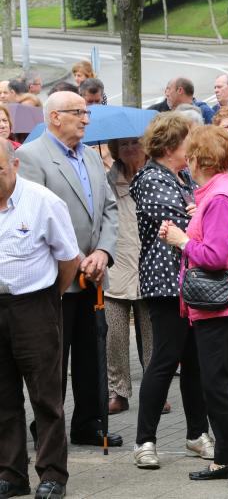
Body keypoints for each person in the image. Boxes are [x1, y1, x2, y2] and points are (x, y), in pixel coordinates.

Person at [16, 91, 124, 449]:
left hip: (93, 274)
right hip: (57, 278)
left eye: (86, 112)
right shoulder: (30, 158)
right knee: (54, 358)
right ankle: (49, 424)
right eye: (79, 112)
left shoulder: (91, 157)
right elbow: (34, 217)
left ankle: (89, 422)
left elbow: (110, 209)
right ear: (55, 117)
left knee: (92, 353)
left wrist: (104, 253)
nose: (86, 119)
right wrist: (78, 258)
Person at [159, 125, 228, 489]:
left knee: (218, 386)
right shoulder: (220, 192)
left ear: (197, 159)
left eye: (189, 154)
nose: (185, 160)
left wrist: (181, 239)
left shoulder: (219, 197)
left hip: (222, 306)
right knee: (214, 383)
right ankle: (225, 457)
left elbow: (216, 256)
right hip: (221, 305)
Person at [130, 112, 212, 469]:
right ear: (169, 146)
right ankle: (144, 441)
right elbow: (182, 222)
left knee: (194, 361)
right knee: (164, 360)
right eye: (186, 140)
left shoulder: (181, 177)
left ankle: (197, 433)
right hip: (165, 283)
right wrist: (200, 213)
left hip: (189, 278)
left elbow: (198, 216)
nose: (191, 147)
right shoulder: (150, 178)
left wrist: (199, 212)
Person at [0, 138, 80, 499]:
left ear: (15, 165)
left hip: (34, 305)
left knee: (45, 396)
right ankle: (11, 473)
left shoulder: (44, 202)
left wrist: (50, 298)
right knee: (2, 397)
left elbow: (69, 260)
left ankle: (52, 475)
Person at [105, 137, 152, 415]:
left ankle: (152, 389)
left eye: (135, 143)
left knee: (152, 336)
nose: (130, 149)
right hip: (116, 266)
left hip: (149, 267)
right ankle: (118, 391)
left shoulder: (155, 179)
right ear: (115, 152)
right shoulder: (106, 183)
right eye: (123, 145)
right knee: (114, 335)